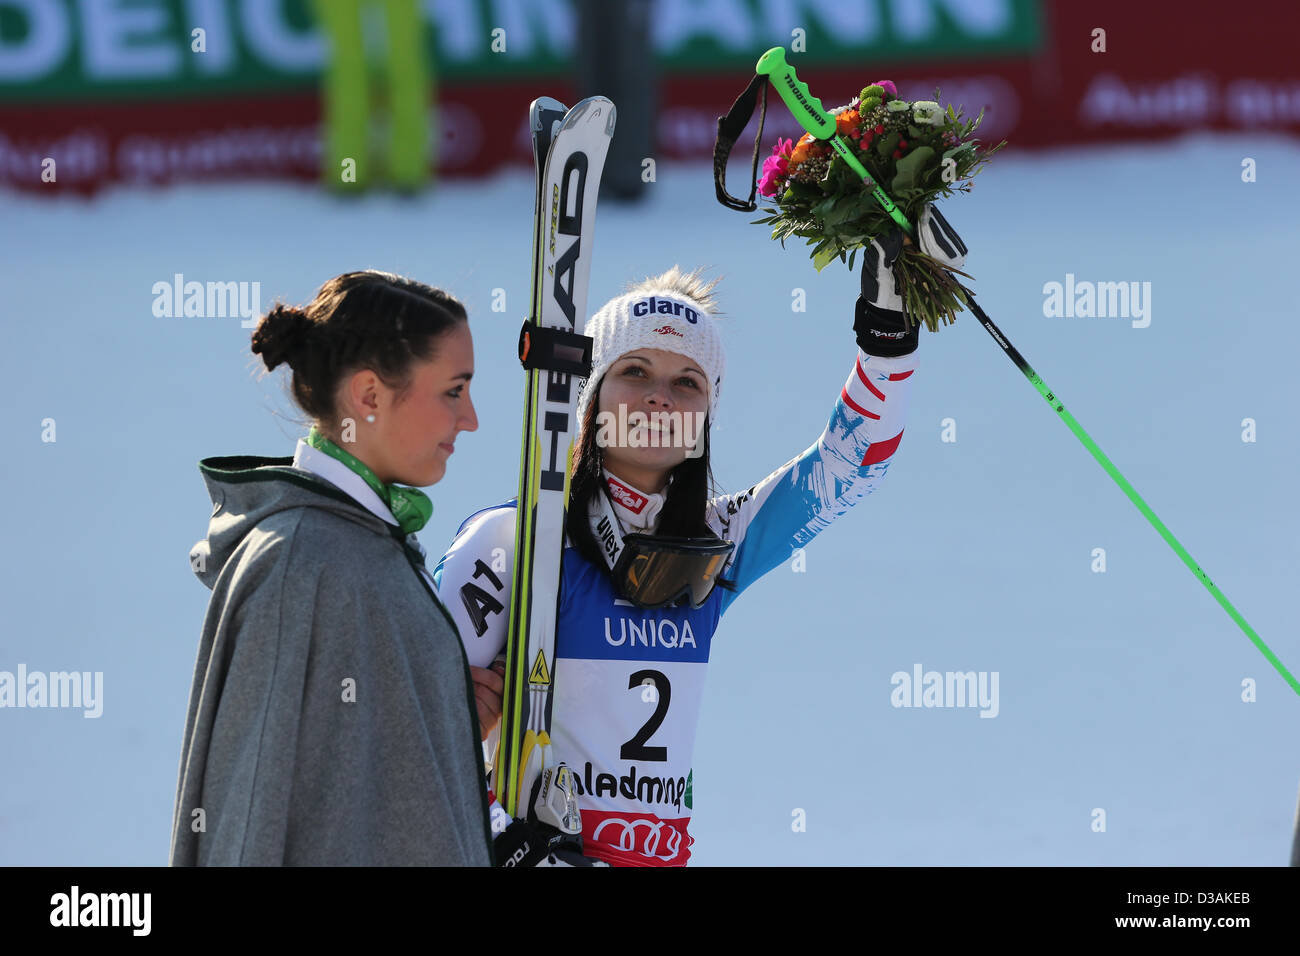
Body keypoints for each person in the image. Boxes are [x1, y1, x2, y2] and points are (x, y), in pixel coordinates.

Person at [435, 207, 968, 866]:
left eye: (686, 382)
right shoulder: (512, 541)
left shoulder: (719, 541)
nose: (660, 397)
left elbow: (851, 464)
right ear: (590, 398)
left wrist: (886, 337)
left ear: (705, 418)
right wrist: (501, 838)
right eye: (634, 371)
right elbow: (412, 726)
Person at [170, 270, 492, 866]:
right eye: (453, 390)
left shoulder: (362, 541)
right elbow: (245, 824)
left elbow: (341, 778)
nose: (470, 418)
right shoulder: (300, 562)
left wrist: (437, 720)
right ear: (369, 397)